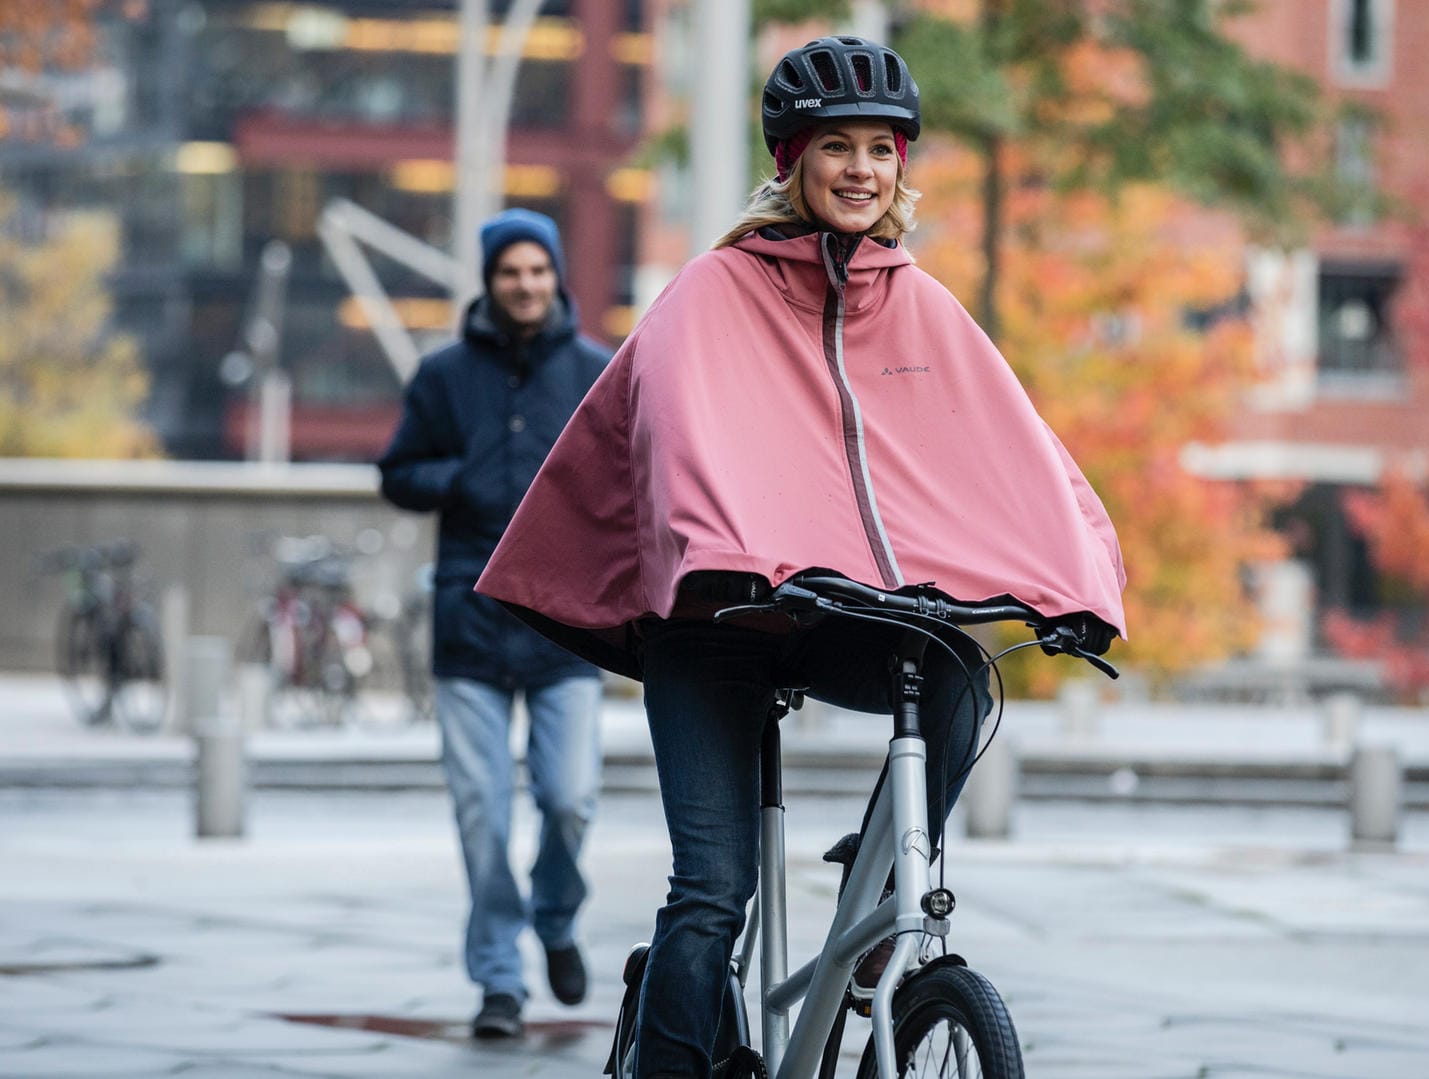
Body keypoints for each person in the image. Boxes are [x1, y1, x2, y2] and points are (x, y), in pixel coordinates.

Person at [477, 36, 1126, 1078]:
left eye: (882, 147)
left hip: (849, 617)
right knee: (712, 894)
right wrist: (729, 549)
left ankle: (879, 896)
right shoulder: (713, 293)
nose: (863, 169)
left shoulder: (919, 304)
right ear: (790, 159)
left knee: (963, 675)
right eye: (837, 147)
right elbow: (675, 435)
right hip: (718, 622)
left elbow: (1022, 453)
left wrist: (1077, 583)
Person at [377, 208, 613, 1039]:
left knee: (571, 799)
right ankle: (500, 978)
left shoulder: (595, 370)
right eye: (510, 271)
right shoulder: (442, 377)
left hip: (564, 627)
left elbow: (629, 478)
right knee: (482, 808)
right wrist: (461, 477)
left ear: (557, 278)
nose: (525, 284)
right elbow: (397, 473)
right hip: (469, 625)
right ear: (489, 280)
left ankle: (554, 915)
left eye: (538, 271)